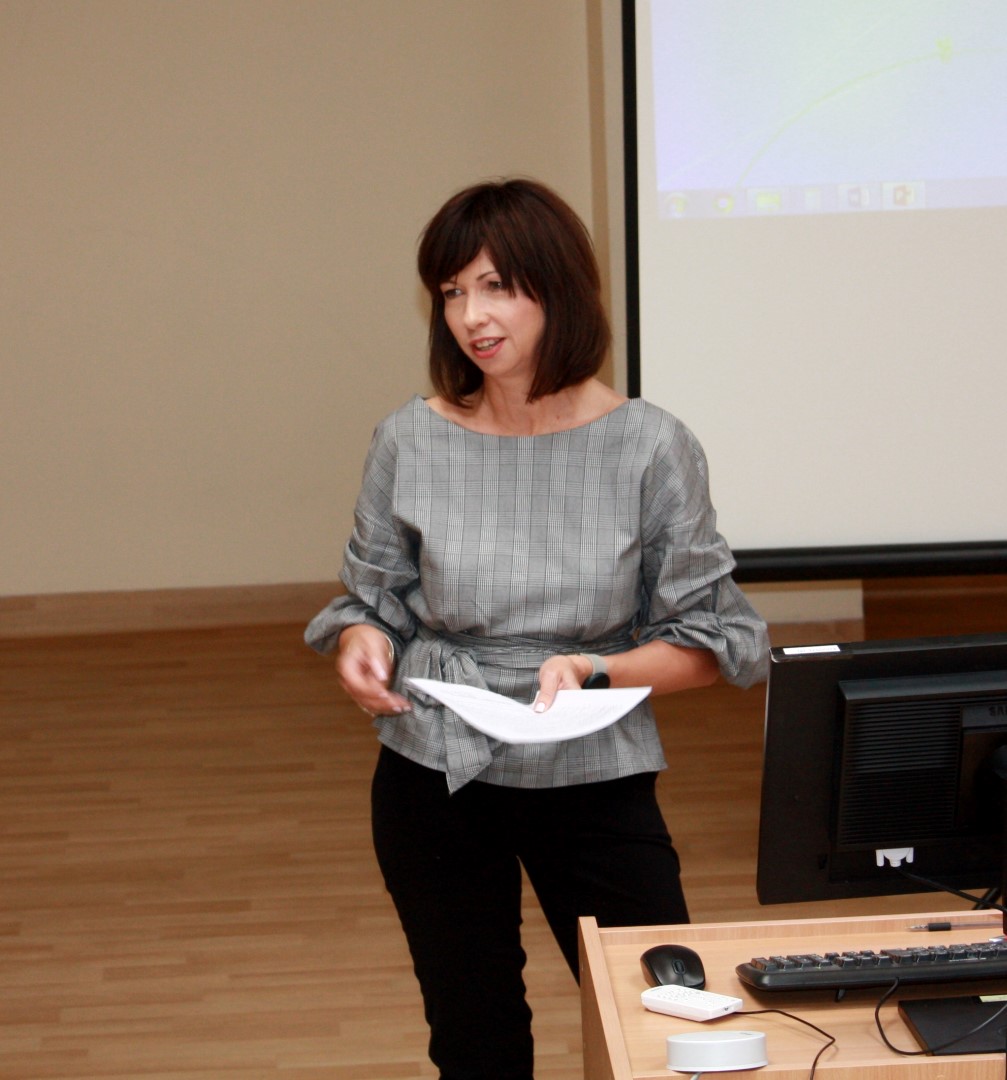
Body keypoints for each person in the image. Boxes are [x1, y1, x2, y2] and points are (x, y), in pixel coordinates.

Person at [306, 177, 768, 1079]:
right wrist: (363, 644)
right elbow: (372, 600)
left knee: (662, 1021)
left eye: (495, 287)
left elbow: (715, 642)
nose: (469, 317)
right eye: (451, 292)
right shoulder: (409, 439)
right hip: (433, 767)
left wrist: (596, 671)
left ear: (557, 288)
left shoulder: (649, 444)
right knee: (472, 1037)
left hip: (593, 770)